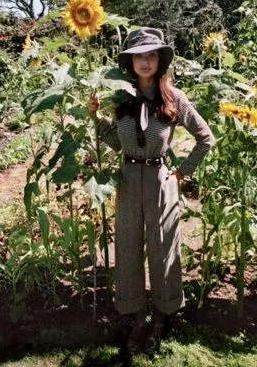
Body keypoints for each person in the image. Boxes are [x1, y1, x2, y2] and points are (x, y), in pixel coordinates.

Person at [87, 27, 214, 354]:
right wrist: (95, 118)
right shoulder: (121, 99)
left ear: (160, 60)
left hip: (161, 182)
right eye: (139, 56)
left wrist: (182, 172)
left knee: (163, 249)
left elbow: (206, 138)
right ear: (130, 62)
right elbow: (116, 143)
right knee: (127, 249)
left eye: (151, 55)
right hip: (127, 181)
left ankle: (161, 315)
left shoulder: (174, 98)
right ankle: (137, 317)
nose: (145, 62)